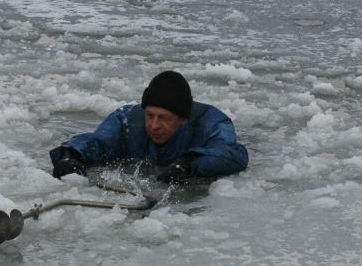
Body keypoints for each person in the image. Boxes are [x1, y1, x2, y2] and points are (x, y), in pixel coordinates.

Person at [50, 70, 248, 183]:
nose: (154, 125)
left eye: (164, 118)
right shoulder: (127, 119)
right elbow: (97, 141)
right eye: (150, 115)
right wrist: (70, 156)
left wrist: (188, 164)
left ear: (183, 119)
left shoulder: (212, 122)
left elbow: (233, 154)